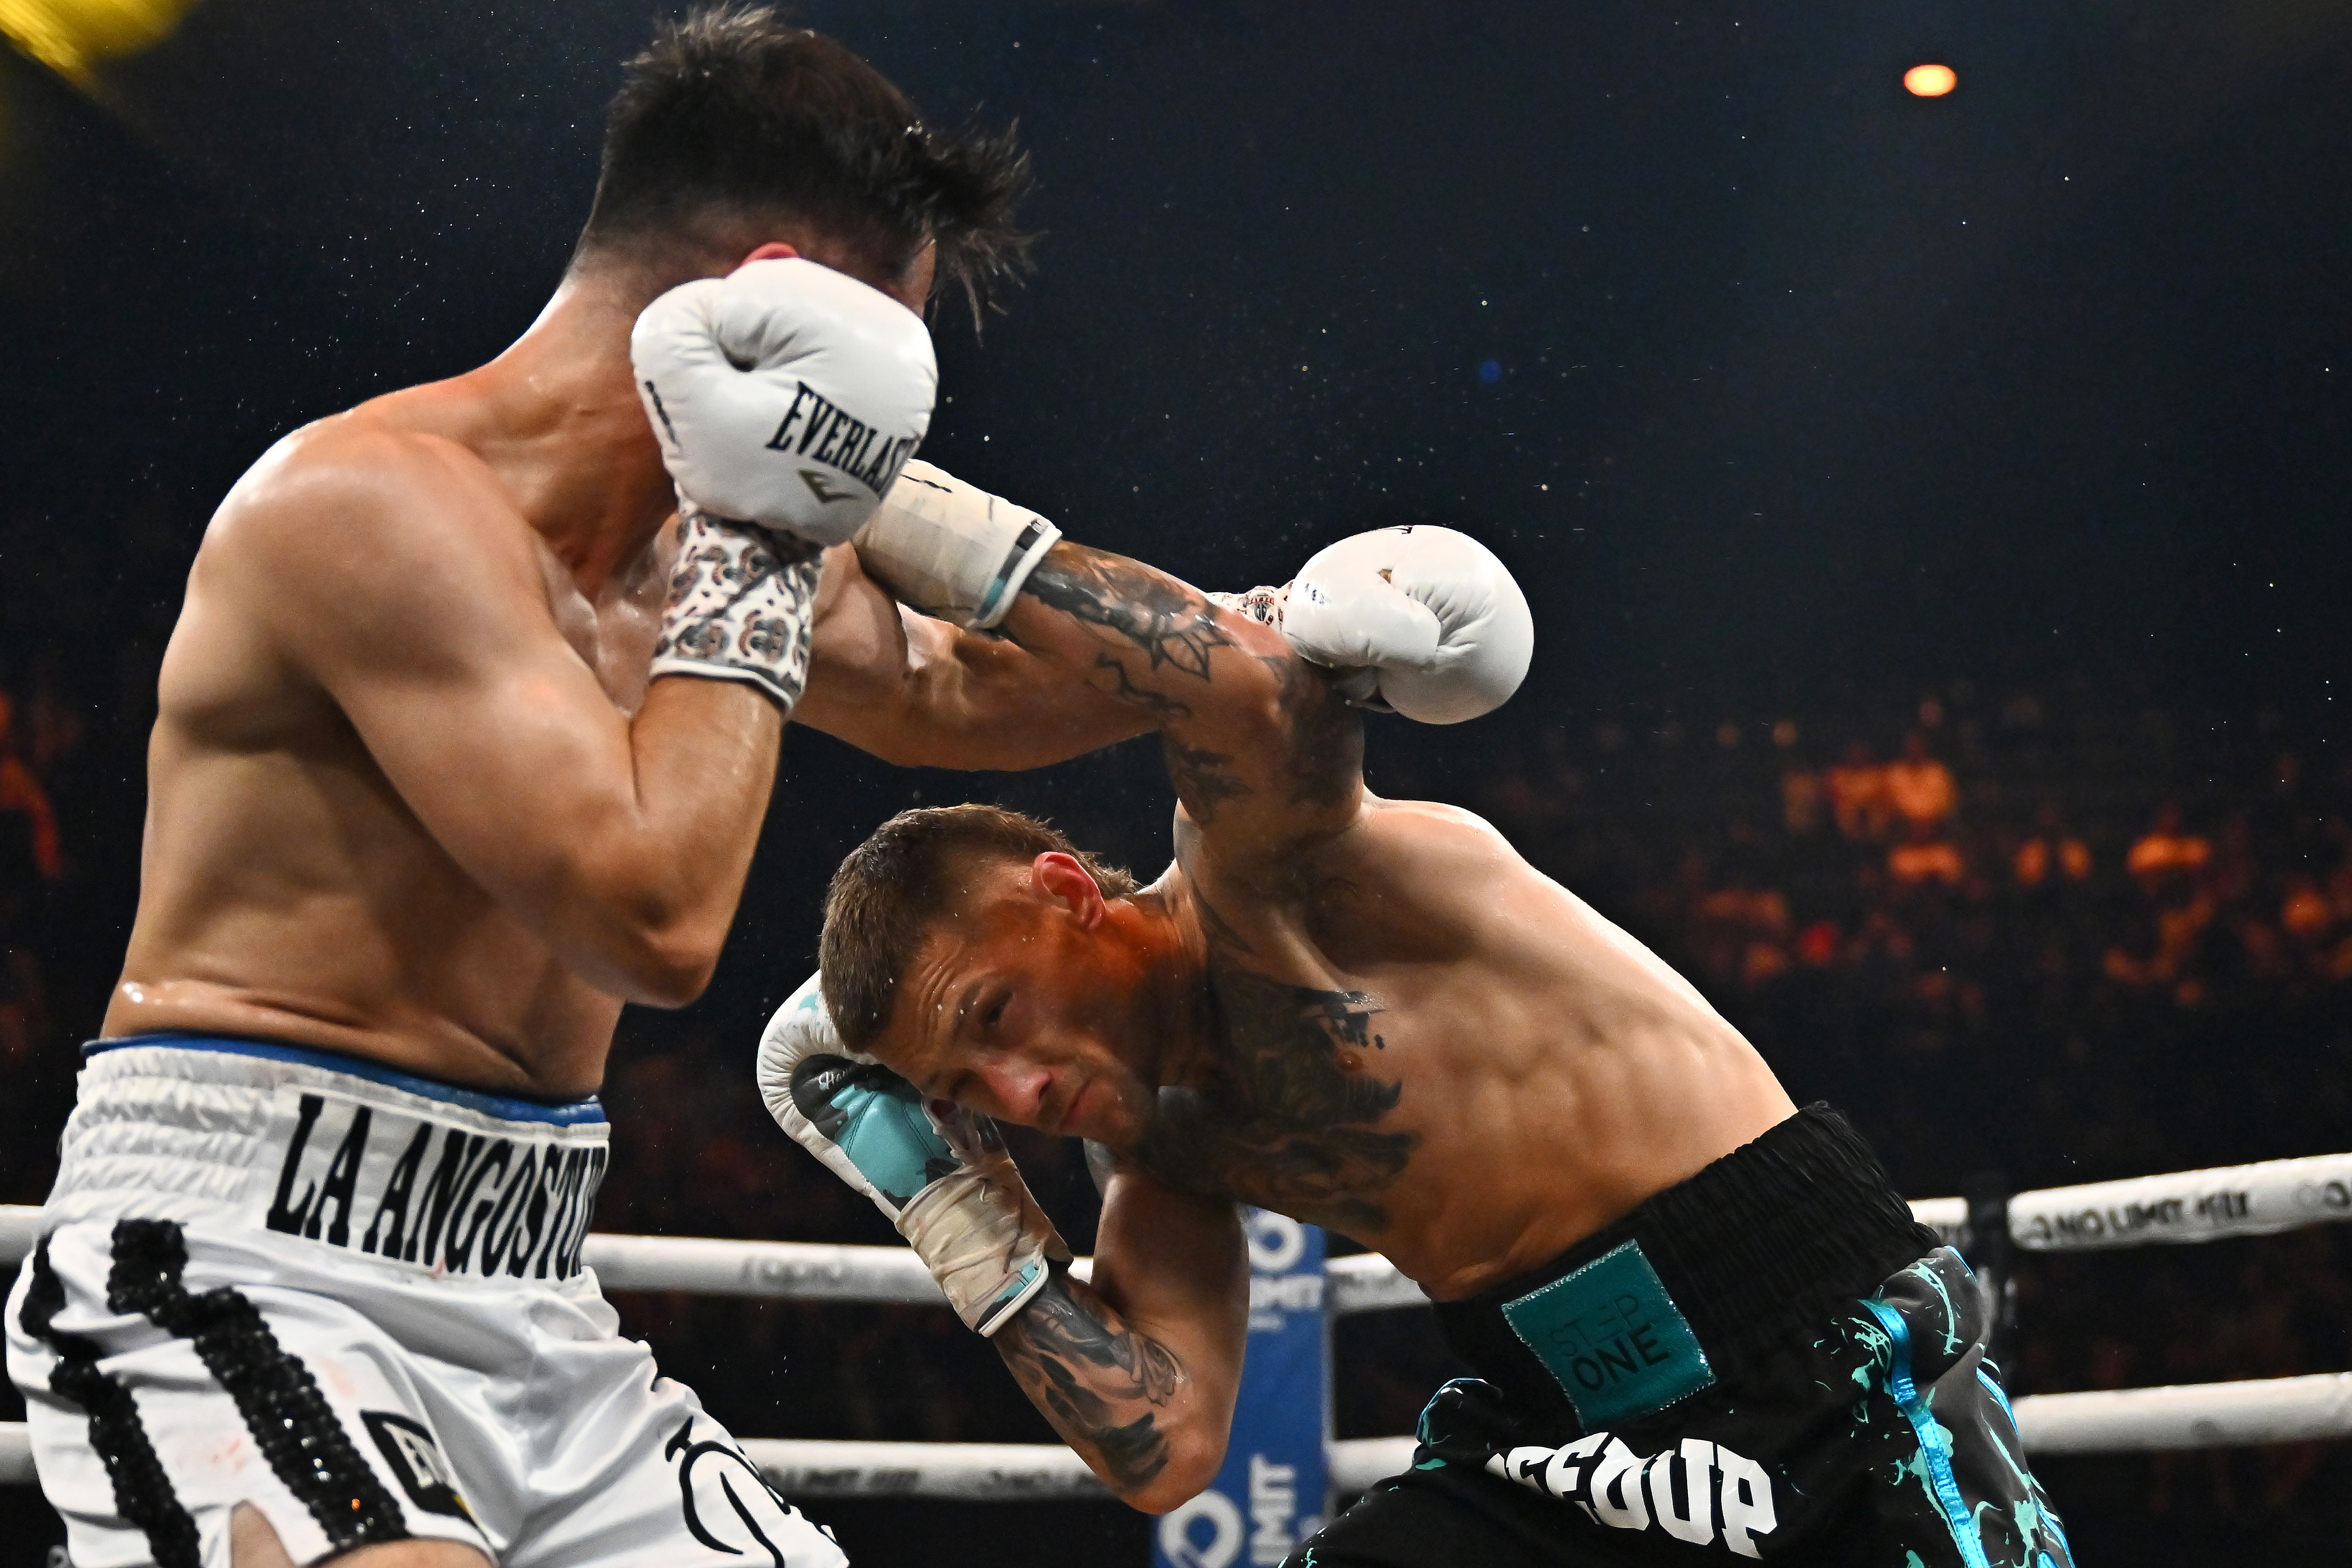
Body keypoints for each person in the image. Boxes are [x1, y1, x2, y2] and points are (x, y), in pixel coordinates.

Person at [4, 11, 1155, 1567]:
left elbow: (977, 690)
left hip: (532, 1292)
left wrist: (1281, 637)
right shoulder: (366, 509)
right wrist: (761, 536)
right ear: (773, 311)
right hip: (239, 1262)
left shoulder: (698, 545)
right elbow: (651, 917)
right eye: (880, 358)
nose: (880, 425)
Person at [762, 509, 2075, 1567]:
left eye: (995, 1019)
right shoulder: (1172, 1158)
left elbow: (1233, 681)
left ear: (1063, 894)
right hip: (1553, 1434)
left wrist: (866, 489)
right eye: (963, 1091)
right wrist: (948, 1196)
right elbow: (1163, 1449)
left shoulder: (1262, 878)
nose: (1017, 1088)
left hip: (1810, 1340)